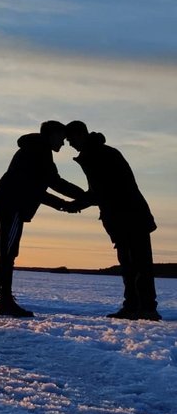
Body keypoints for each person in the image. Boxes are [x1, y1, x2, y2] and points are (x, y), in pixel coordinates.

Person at [0, 120, 85, 317]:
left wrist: (64, 204)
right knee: (7, 250)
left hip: (8, 201)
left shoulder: (35, 149)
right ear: (51, 135)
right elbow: (53, 182)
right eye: (61, 137)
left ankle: (2, 300)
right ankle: (4, 300)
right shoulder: (39, 150)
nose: (64, 143)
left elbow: (37, 189)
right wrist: (83, 196)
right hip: (12, 203)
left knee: (5, 248)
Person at [65, 121, 161, 321]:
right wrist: (78, 203)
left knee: (137, 263)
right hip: (124, 217)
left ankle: (144, 308)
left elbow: (101, 191)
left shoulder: (97, 155)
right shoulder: (98, 153)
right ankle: (135, 306)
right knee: (130, 264)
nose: (69, 144)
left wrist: (75, 205)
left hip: (129, 217)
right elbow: (100, 191)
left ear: (80, 135)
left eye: (70, 139)